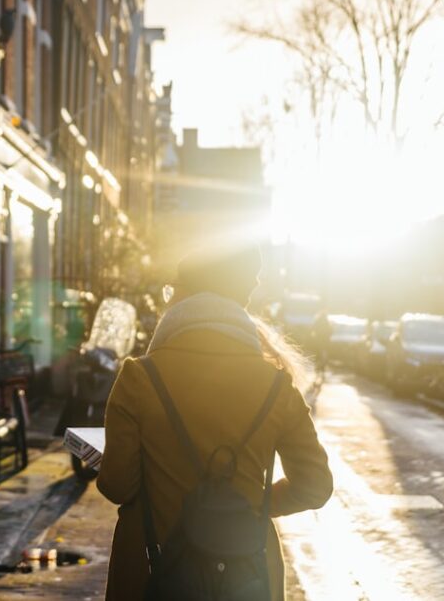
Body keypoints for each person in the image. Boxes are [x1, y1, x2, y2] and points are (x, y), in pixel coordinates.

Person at [96, 245, 334, 600]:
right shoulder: (276, 385)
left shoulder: (139, 378)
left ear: (185, 295)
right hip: (244, 577)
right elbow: (315, 486)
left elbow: (117, 486)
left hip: (152, 571)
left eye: (171, 290)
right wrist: (253, 502)